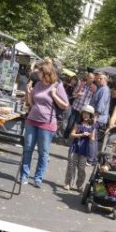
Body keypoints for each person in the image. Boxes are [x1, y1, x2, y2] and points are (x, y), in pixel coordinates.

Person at [20, 58, 69, 188]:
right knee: (28, 149)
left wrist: (54, 95)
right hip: (32, 120)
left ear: (46, 72)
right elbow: (31, 103)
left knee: (43, 152)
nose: (37, 74)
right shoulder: (38, 84)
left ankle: (38, 178)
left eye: (39, 72)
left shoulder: (57, 86)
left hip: (47, 124)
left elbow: (65, 106)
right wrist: (28, 93)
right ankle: (24, 175)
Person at [63, 104, 97, 192]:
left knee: (81, 168)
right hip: (75, 148)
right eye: (84, 113)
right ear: (81, 114)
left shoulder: (92, 126)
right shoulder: (78, 124)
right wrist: (81, 134)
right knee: (71, 166)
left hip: (85, 150)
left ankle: (79, 185)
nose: (85, 115)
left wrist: (89, 135)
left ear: (91, 116)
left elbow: (93, 139)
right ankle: (68, 183)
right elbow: (72, 135)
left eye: (87, 114)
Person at [88, 70, 111, 142]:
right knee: (91, 138)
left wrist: (94, 118)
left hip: (97, 119)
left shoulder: (104, 89)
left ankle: (91, 152)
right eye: (98, 78)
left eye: (99, 78)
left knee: (92, 139)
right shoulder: (100, 88)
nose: (97, 79)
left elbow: (100, 106)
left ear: (104, 79)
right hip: (95, 117)